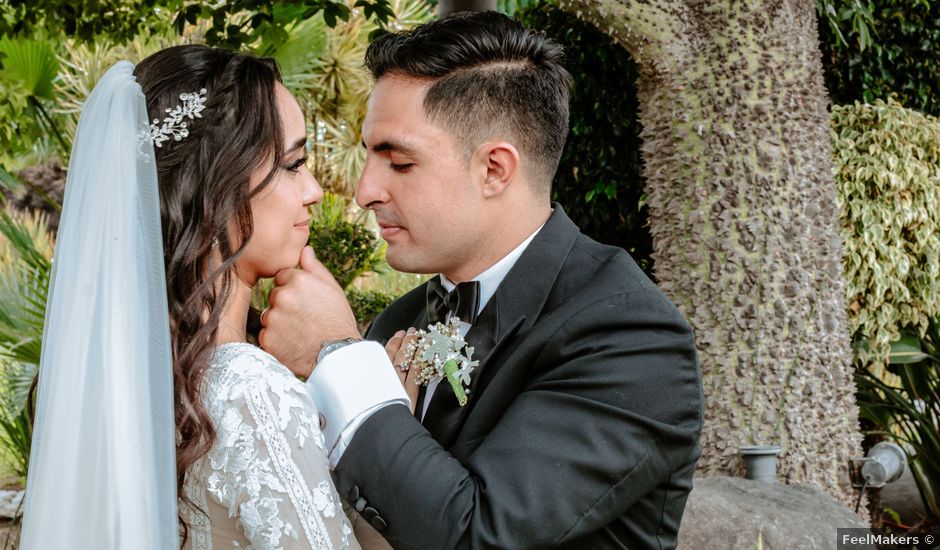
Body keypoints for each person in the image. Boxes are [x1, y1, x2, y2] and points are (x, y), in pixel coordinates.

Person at [261, 11, 704, 550]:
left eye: (398, 162)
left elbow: (479, 535)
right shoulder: (402, 321)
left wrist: (337, 355)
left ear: (495, 169)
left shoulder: (629, 336)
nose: (364, 191)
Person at [19, 45, 365, 549]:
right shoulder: (249, 389)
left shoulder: (130, 380)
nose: (314, 189)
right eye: (293, 164)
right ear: (215, 189)